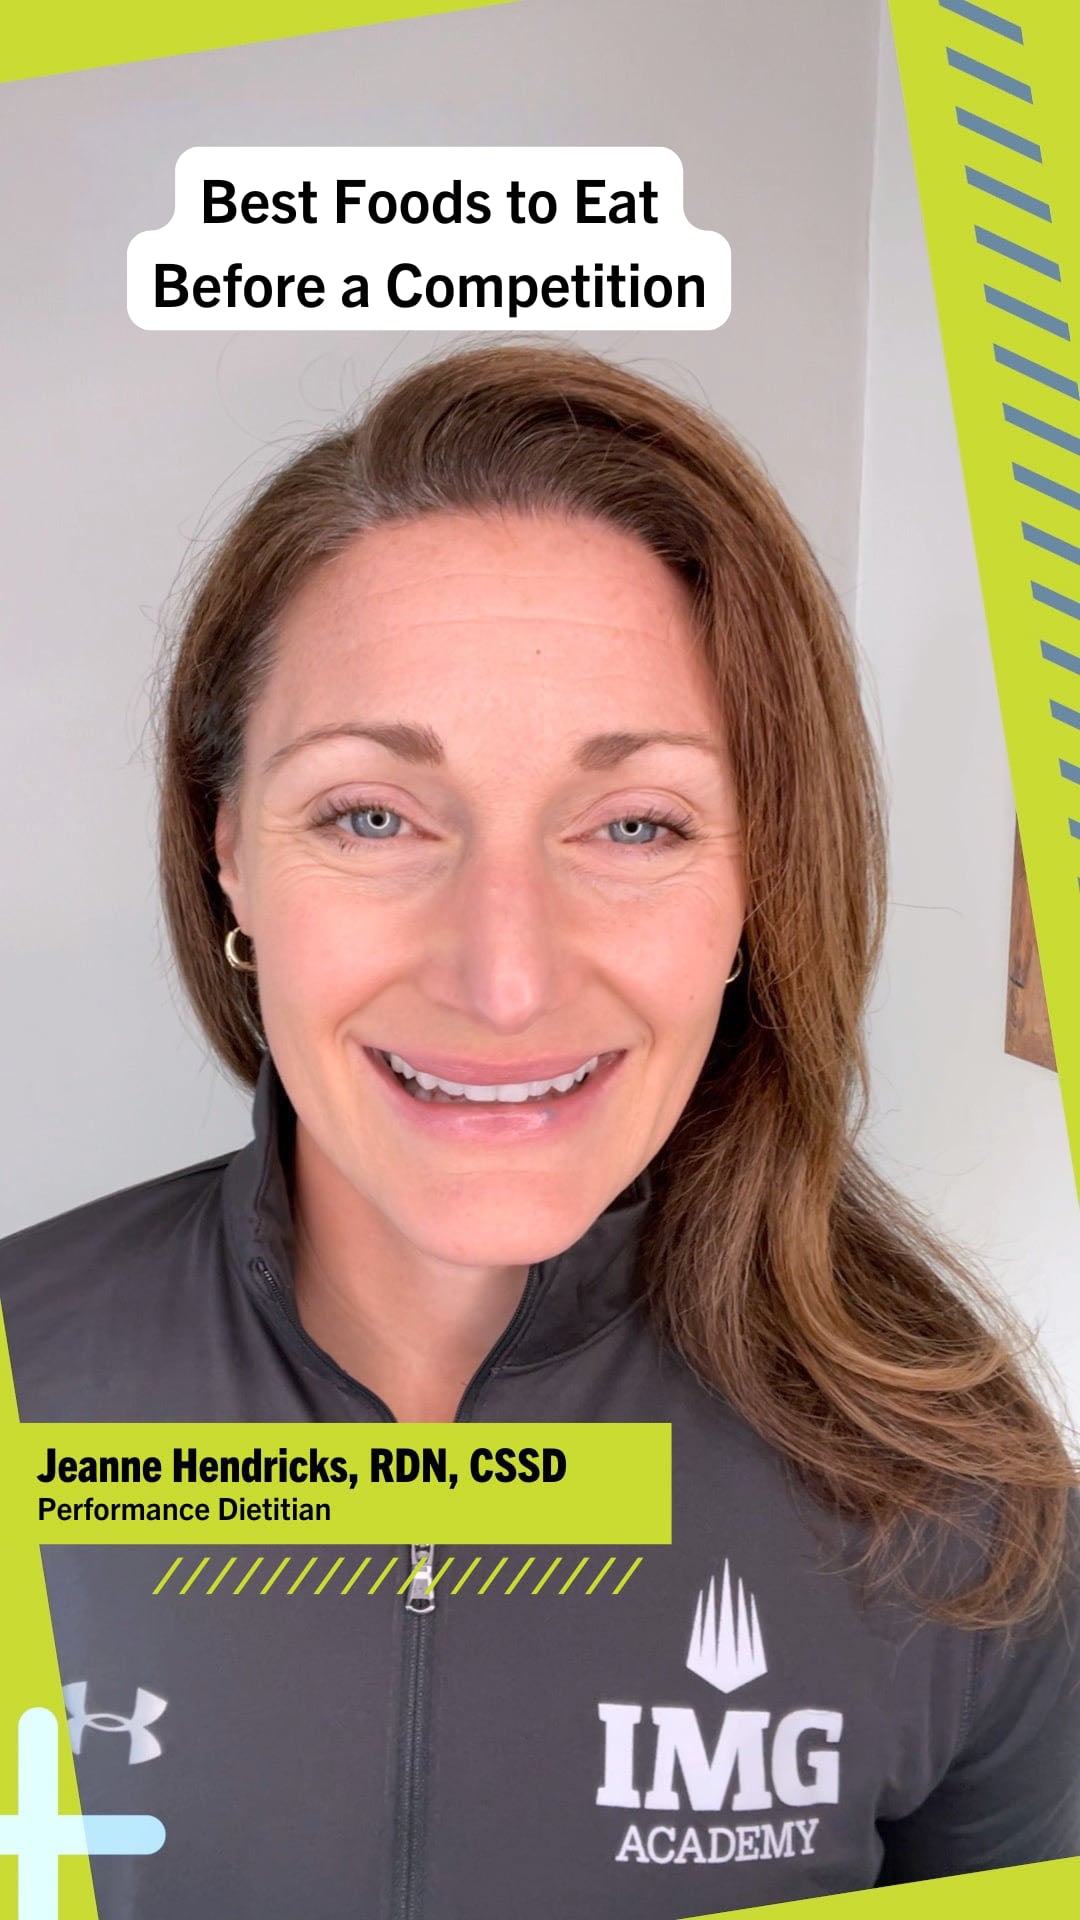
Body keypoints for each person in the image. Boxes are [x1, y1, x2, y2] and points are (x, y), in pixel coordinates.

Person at [1, 341, 1077, 1919]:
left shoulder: (959, 1498)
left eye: (636, 824)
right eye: (373, 814)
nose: (503, 979)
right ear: (230, 853)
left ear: (757, 884)